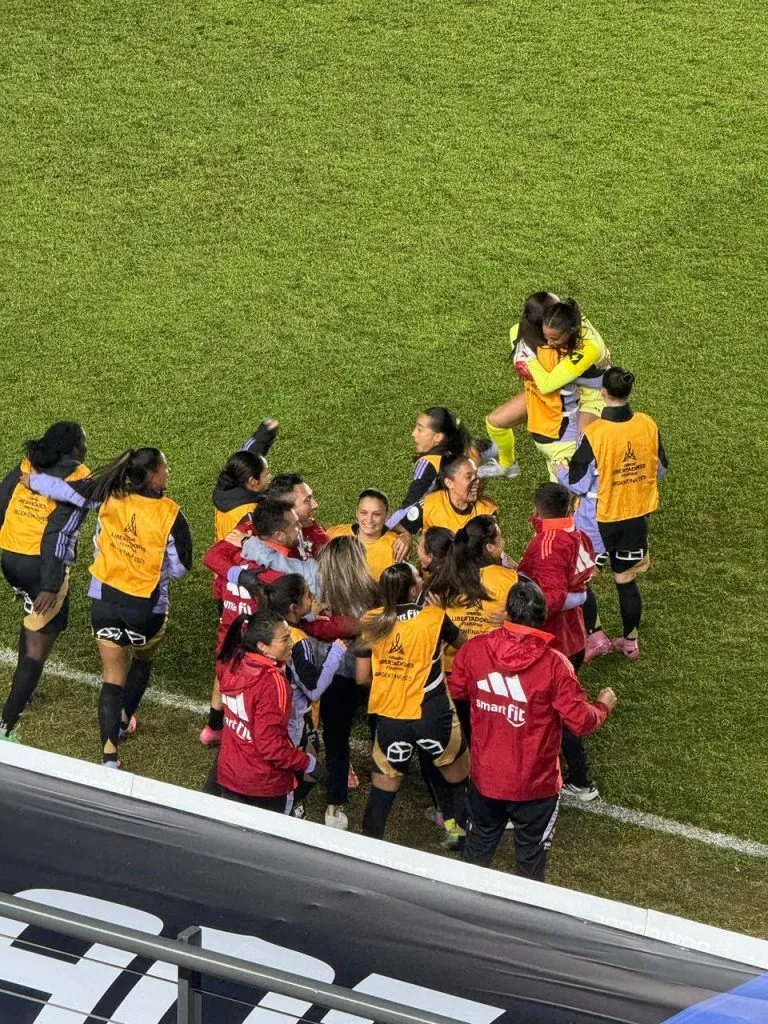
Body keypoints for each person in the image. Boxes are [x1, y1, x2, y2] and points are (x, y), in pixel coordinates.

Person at [24, 448, 192, 766]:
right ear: (152, 475)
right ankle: (126, 715)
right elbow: (182, 567)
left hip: (105, 603)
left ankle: (110, 756)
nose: (168, 473)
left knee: (112, 674)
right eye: (164, 468)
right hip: (146, 609)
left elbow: (95, 536)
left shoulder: (109, 498)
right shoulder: (171, 514)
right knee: (142, 658)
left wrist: (34, 481)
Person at [450, 579, 616, 880]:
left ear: (507, 613)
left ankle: (463, 919)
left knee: (475, 858)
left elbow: (458, 691)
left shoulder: (474, 650)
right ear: (542, 618)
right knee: (530, 868)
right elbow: (581, 721)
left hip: (486, 778)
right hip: (535, 786)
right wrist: (604, 705)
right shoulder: (555, 665)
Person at [557, 367, 668, 660]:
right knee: (626, 580)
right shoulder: (647, 424)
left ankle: (596, 637)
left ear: (603, 394)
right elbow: (661, 469)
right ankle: (631, 643)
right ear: (630, 392)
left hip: (598, 518)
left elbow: (579, 484)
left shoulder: (595, 433)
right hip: (636, 517)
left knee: (580, 579)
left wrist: (559, 471)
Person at [357, 562, 469, 845]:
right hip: (433, 713)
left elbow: (361, 678)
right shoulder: (434, 617)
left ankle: (368, 848)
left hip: (392, 717)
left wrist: (391, 681)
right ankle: (457, 836)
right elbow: (465, 646)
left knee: (384, 789)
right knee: (456, 779)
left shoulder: (371, 620)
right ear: (414, 588)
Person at [0, 422, 90, 737]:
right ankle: (6, 723)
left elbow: (2, 499)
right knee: (41, 635)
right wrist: (51, 584)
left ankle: (23, 690)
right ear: (75, 448)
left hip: (10, 555)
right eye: (84, 440)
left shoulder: (29, 463)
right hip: (41, 565)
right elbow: (57, 533)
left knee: (32, 616)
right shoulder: (79, 478)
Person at [518, 482, 601, 800]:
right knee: (558, 709)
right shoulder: (578, 535)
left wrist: (519, 591)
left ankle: (579, 780)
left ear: (537, 509)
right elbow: (578, 584)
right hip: (573, 637)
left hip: (554, 643)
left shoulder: (549, 542)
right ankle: (579, 779)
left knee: (551, 713)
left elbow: (550, 600)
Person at [483, 294, 610, 479]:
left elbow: (547, 384)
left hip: (591, 396)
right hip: (558, 391)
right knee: (495, 422)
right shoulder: (530, 333)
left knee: (583, 453)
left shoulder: (589, 347)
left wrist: (530, 359)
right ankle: (507, 465)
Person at [216, 609, 320, 813]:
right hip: (264, 785)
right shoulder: (272, 682)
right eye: (285, 639)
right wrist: (308, 763)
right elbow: (271, 746)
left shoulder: (231, 661)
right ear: (263, 647)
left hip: (229, 773)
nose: (292, 644)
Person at [315, 536, 381, 829]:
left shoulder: (316, 594)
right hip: (369, 675)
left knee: (336, 740)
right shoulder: (374, 594)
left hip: (329, 677)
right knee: (377, 726)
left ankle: (334, 807)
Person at [386, 408, 472, 534]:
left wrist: (386, 527)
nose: (414, 433)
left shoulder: (428, 463)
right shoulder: (454, 456)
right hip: (461, 523)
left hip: (442, 531)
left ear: (438, 437)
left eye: (420, 429)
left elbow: (412, 503)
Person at [213, 418, 278, 541]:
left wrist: (264, 433)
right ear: (253, 481)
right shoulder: (251, 515)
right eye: (266, 473)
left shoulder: (227, 485)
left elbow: (245, 454)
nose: (270, 476)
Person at [400, 455, 498, 536]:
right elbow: (402, 526)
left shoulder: (487, 510)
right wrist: (405, 536)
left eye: (476, 475)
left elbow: (495, 548)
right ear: (449, 483)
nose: (476, 481)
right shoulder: (428, 505)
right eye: (468, 477)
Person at [327, 488, 400, 581]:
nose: (369, 519)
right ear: (356, 512)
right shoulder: (335, 534)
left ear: (387, 515)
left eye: (377, 514)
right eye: (364, 513)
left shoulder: (396, 544)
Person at [266, 473, 329, 559]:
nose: (315, 505)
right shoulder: (281, 552)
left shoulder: (311, 528)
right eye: (307, 500)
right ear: (287, 509)